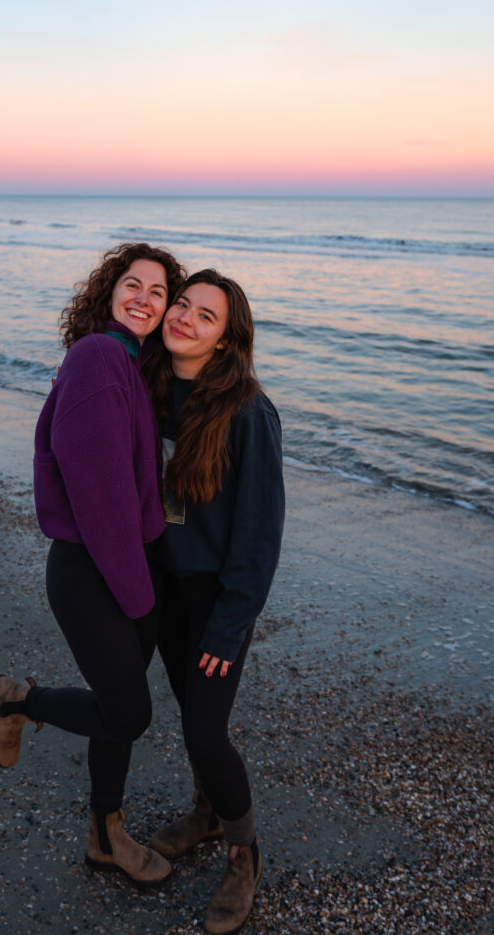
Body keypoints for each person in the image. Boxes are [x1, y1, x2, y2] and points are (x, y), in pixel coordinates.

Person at [0, 242, 185, 885]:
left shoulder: (134, 365)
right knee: (128, 712)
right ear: (108, 292)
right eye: (133, 284)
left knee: (113, 703)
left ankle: (106, 834)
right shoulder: (99, 356)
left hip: (132, 561)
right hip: (94, 568)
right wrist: (138, 594)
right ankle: (15, 700)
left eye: (159, 292)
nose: (145, 300)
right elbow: (100, 495)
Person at [147, 269, 285, 934]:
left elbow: (258, 538)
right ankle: (204, 813)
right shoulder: (147, 387)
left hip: (215, 597)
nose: (184, 319)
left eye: (206, 316)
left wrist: (229, 629)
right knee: (186, 716)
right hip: (161, 589)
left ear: (226, 339)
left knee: (206, 730)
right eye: (182, 304)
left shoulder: (249, 412)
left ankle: (243, 851)